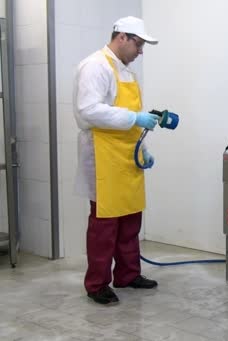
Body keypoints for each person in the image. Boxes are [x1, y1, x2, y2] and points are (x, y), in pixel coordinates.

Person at [73, 16, 160, 305]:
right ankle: (97, 283)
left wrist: (142, 147)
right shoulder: (95, 66)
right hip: (103, 152)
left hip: (127, 153)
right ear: (122, 37)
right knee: (105, 223)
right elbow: (88, 110)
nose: (141, 51)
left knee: (130, 218)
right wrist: (135, 117)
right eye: (138, 44)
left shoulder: (127, 72)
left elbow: (129, 115)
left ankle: (128, 274)